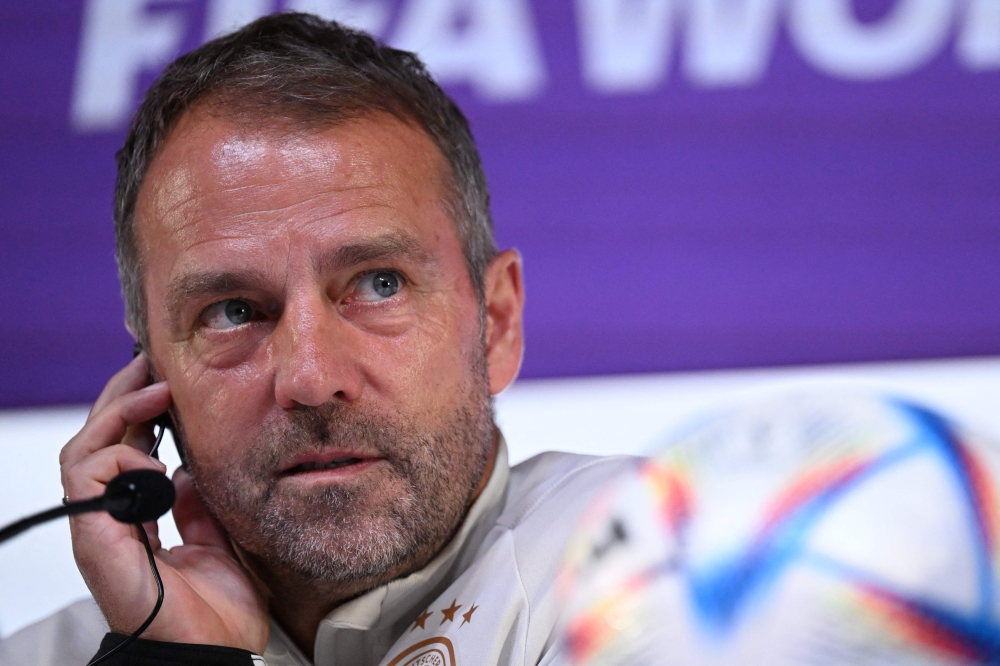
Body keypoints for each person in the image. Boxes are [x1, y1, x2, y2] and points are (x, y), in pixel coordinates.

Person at [0, 13, 633, 666]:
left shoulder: (663, 564)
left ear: (496, 323)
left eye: (380, 284)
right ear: (150, 380)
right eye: (233, 310)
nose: (310, 375)